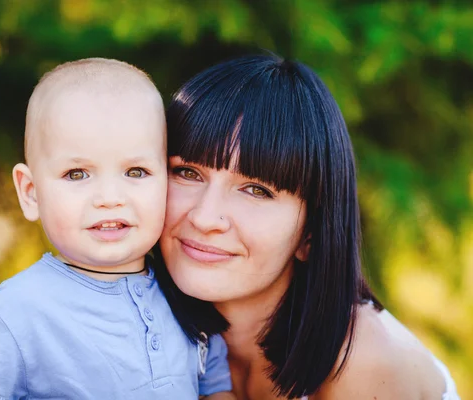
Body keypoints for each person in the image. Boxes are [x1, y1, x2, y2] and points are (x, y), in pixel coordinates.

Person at [157, 53, 460, 399]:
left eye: (256, 190)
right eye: (187, 173)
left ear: (311, 232)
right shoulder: (137, 323)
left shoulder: (358, 362)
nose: (205, 217)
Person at [0, 58, 234, 400]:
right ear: (31, 192)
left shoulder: (185, 293)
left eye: (136, 171)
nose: (110, 198)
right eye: (77, 174)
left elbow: (216, 390)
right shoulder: (21, 312)